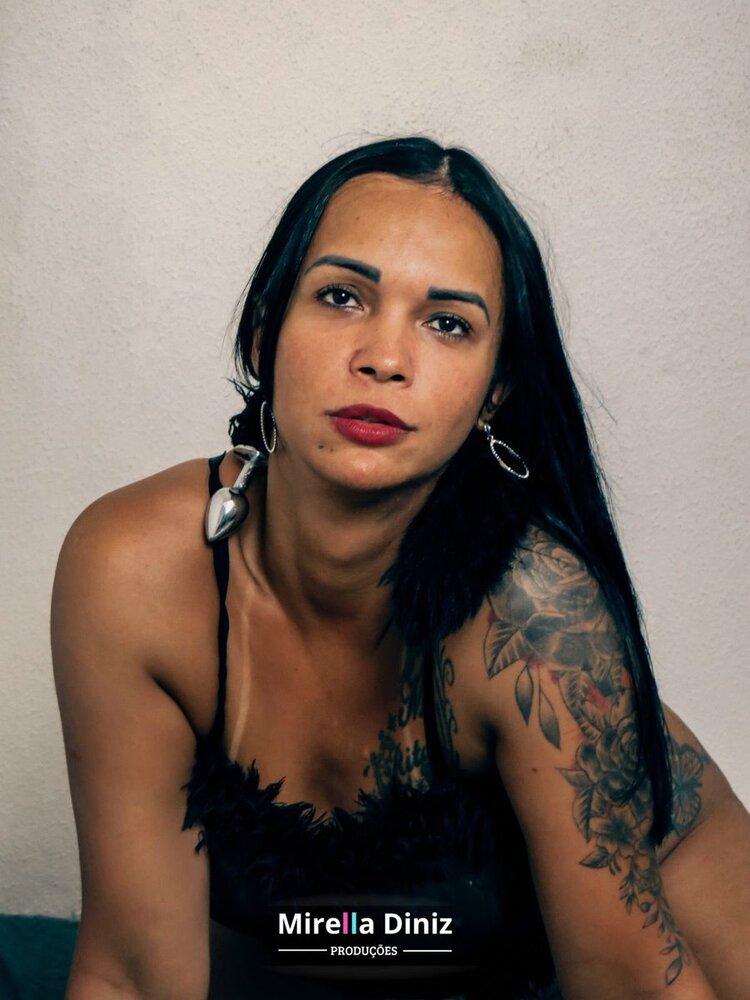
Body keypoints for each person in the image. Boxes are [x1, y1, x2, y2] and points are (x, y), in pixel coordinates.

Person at [52, 137, 750, 1000]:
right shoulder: (134, 572)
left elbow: (633, 986)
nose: (384, 358)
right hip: (373, 957)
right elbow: (130, 973)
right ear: (265, 335)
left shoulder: (534, 614)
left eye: (447, 323)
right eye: (342, 296)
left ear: (495, 391)